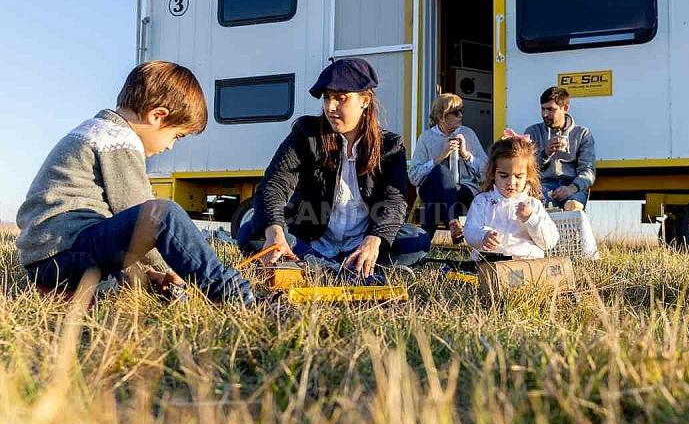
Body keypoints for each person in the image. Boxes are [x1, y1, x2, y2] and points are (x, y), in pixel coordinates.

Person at [16, 60, 254, 305]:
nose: (170, 146)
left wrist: (150, 271)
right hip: (65, 254)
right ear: (157, 116)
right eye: (176, 136)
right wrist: (169, 268)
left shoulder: (95, 130)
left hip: (50, 260)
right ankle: (231, 292)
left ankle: (102, 289)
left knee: (139, 268)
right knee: (163, 214)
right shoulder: (118, 139)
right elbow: (142, 217)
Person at [236, 58, 430, 279]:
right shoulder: (305, 134)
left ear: (365, 100)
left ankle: (328, 265)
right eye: (327, 98)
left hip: (363, 242)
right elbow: (274, 184)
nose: (330, 107)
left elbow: (395, 202)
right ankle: (333, 267)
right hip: (311, 240)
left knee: (418, 239)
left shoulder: (390, 146)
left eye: (341, 98)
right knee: (251, 234)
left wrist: (374, 240)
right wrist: (275, 232)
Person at [464, 130, 559, 260]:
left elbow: (549, 242)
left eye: (519, 176)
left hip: (526, 262)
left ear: (528, 176)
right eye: (504, 176)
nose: (511, 182)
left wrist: (531, 219)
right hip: (490, 261)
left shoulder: (532, 205)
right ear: (492, 173)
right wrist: (483, 235)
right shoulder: (482, 201)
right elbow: (470, 230)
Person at [408, 93, 488, 242]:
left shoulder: (468, 134)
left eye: (462, 111)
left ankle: (421, 244)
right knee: (440, 172)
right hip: (430, 188)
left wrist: (466, 154)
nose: (460, 115)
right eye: (455, 112)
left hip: (462, 191)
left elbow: (486, 172)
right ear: (440, 116)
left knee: (435, 199)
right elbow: (414, 176)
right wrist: (439, 157)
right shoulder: (426, 138)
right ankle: (452, 221)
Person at [523, 87, 596, 210]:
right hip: (544, 185)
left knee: (573, 207)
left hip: (573, 186)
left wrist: (571, 188)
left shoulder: (582, 134)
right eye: (543, 109)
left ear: (565, 108)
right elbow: (526, 169)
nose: (545, 114)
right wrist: (545, 154)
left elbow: (588, 171)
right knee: (533, 206)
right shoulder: (532, 132)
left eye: (550, 109)